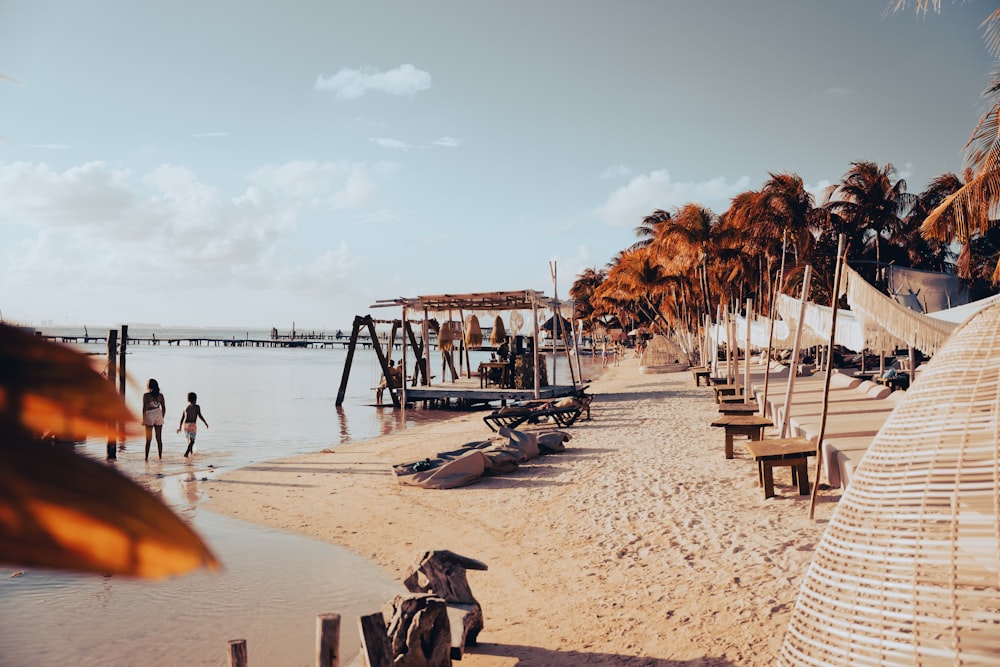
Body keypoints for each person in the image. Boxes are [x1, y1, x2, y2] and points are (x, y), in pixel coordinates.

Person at [177, 391, 209, 457]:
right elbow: (200, 415)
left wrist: (180, 427)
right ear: (195, 399)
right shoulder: (197, 407)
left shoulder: (185, 407)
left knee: (189, 440)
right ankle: (186, 453)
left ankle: (191, 453)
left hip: (185, 425)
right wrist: (205, 422)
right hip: (192, 425)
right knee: (192, 441)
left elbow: (182, 418)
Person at [142, 378, 166, 460]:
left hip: (149, 414)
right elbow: (164, 408)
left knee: (148, 439)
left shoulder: (146, 396)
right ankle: (160, 457)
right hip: (158, 414)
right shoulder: (160, 396)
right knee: (159, 438)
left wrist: (143, 419)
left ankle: (146, 458)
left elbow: (144, 408)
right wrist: (162, 417)